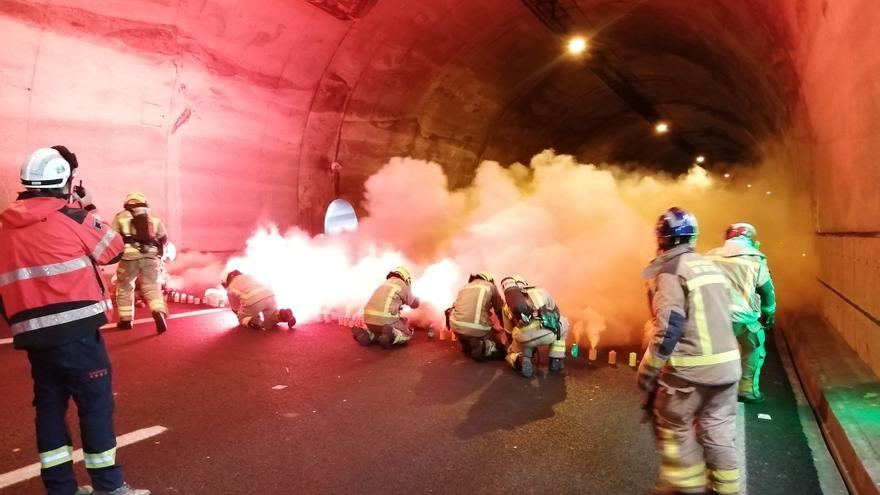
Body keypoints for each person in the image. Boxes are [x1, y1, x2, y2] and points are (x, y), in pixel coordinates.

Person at [0, 146, 150, 495]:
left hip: (34, 337)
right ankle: (109, 487)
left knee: (50, 410)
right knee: (95, 407)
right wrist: (89, 206)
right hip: (78, 333)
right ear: (66, 182)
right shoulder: (71, 215)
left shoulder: (4, 225)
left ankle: (61, 489)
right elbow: (111, 250)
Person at [639, 207, 741, 495]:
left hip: (690, 372)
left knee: (675, 426)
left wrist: (649, 369)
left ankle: (687, 489)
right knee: (718, 431)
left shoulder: (671, 272)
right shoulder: (711, 266)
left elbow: (669, 326)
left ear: (663, 239)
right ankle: (728, 490)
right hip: (728, 369)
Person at [706, 223, 777, 403]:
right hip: (741, 319)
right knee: (754, 346)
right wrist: (769, 312)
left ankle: (706, 386)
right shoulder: (756, 259)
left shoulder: (710, 255)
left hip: (710, 317)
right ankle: (747, 390)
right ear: (750, 239)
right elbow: (767, 291)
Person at [109, 191, 168, 333]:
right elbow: (163, 238)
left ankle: (126, 321)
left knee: (125, 287)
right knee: (152, 286)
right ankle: (158, 310)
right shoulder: (154, 219)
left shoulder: (120, 217)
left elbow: (111, 236)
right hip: (150, 258)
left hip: (128, 259)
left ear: (127, 203)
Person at [500, 275, 568, 378]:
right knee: (564, 321)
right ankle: (556, 359)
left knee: (515, 347)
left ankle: (523, 359)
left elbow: (508, 332)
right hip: (548, 334)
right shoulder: (541, 291)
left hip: (524, 339)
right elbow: (556, 314)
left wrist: (514, 348)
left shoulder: (506, 305)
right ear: (525, 284)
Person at [354, 266, 420, 349]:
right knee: (407, 334)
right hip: (386, 319)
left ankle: (368, 334)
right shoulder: (402, 285)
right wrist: (419, 301)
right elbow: (414, 304)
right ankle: (392, 334)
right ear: (406, 278)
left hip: (368, 319)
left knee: (379, 331)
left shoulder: (384, 284)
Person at [448, 272, 507, 361]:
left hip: (456, 327)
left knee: (470, 331)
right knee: (500, 347)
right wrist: (504, 326)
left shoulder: (464, 287)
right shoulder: (490, 286)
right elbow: (499, 309)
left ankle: (466, 343)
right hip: (476, 328)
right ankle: (482, 348)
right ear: (488, 279)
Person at [221, 269, 296, 330]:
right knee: (269, 322)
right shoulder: (249, 276)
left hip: (253, 300)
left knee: (242, 318)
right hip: (270, 295)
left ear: (226, 282)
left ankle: (254, 321)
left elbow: (236, 309)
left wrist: (249, 314)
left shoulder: (230, 288)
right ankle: (281, 315)